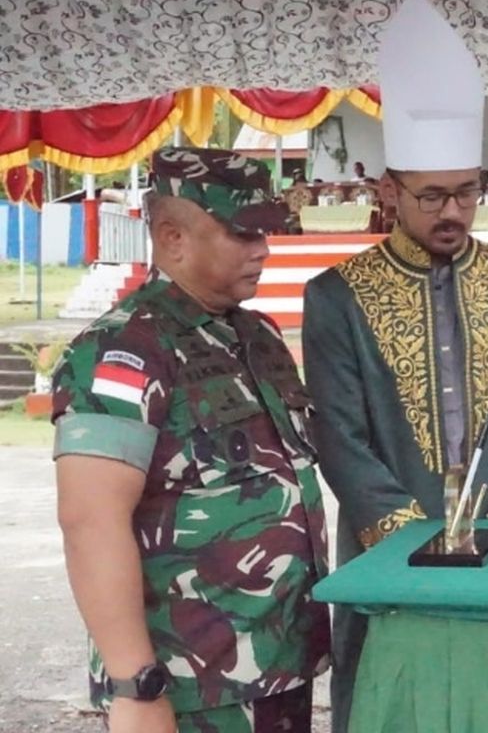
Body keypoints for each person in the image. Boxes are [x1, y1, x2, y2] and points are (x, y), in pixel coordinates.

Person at [302, 0, 488, 733]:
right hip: (384, 553)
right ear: (389, 193)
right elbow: (339, 434)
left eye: (467, 192)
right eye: (432, 197)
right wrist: (405, 540)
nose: (453, 212)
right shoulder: (338, 296)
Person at [51, 147, 330, 733]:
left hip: (279, 665)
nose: (264, 250)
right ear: (174, 238)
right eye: (243, 234)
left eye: (267, 234)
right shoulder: (125, 350)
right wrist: (135, 687)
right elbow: (90, 521)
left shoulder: (256, 337)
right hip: (190, 685)